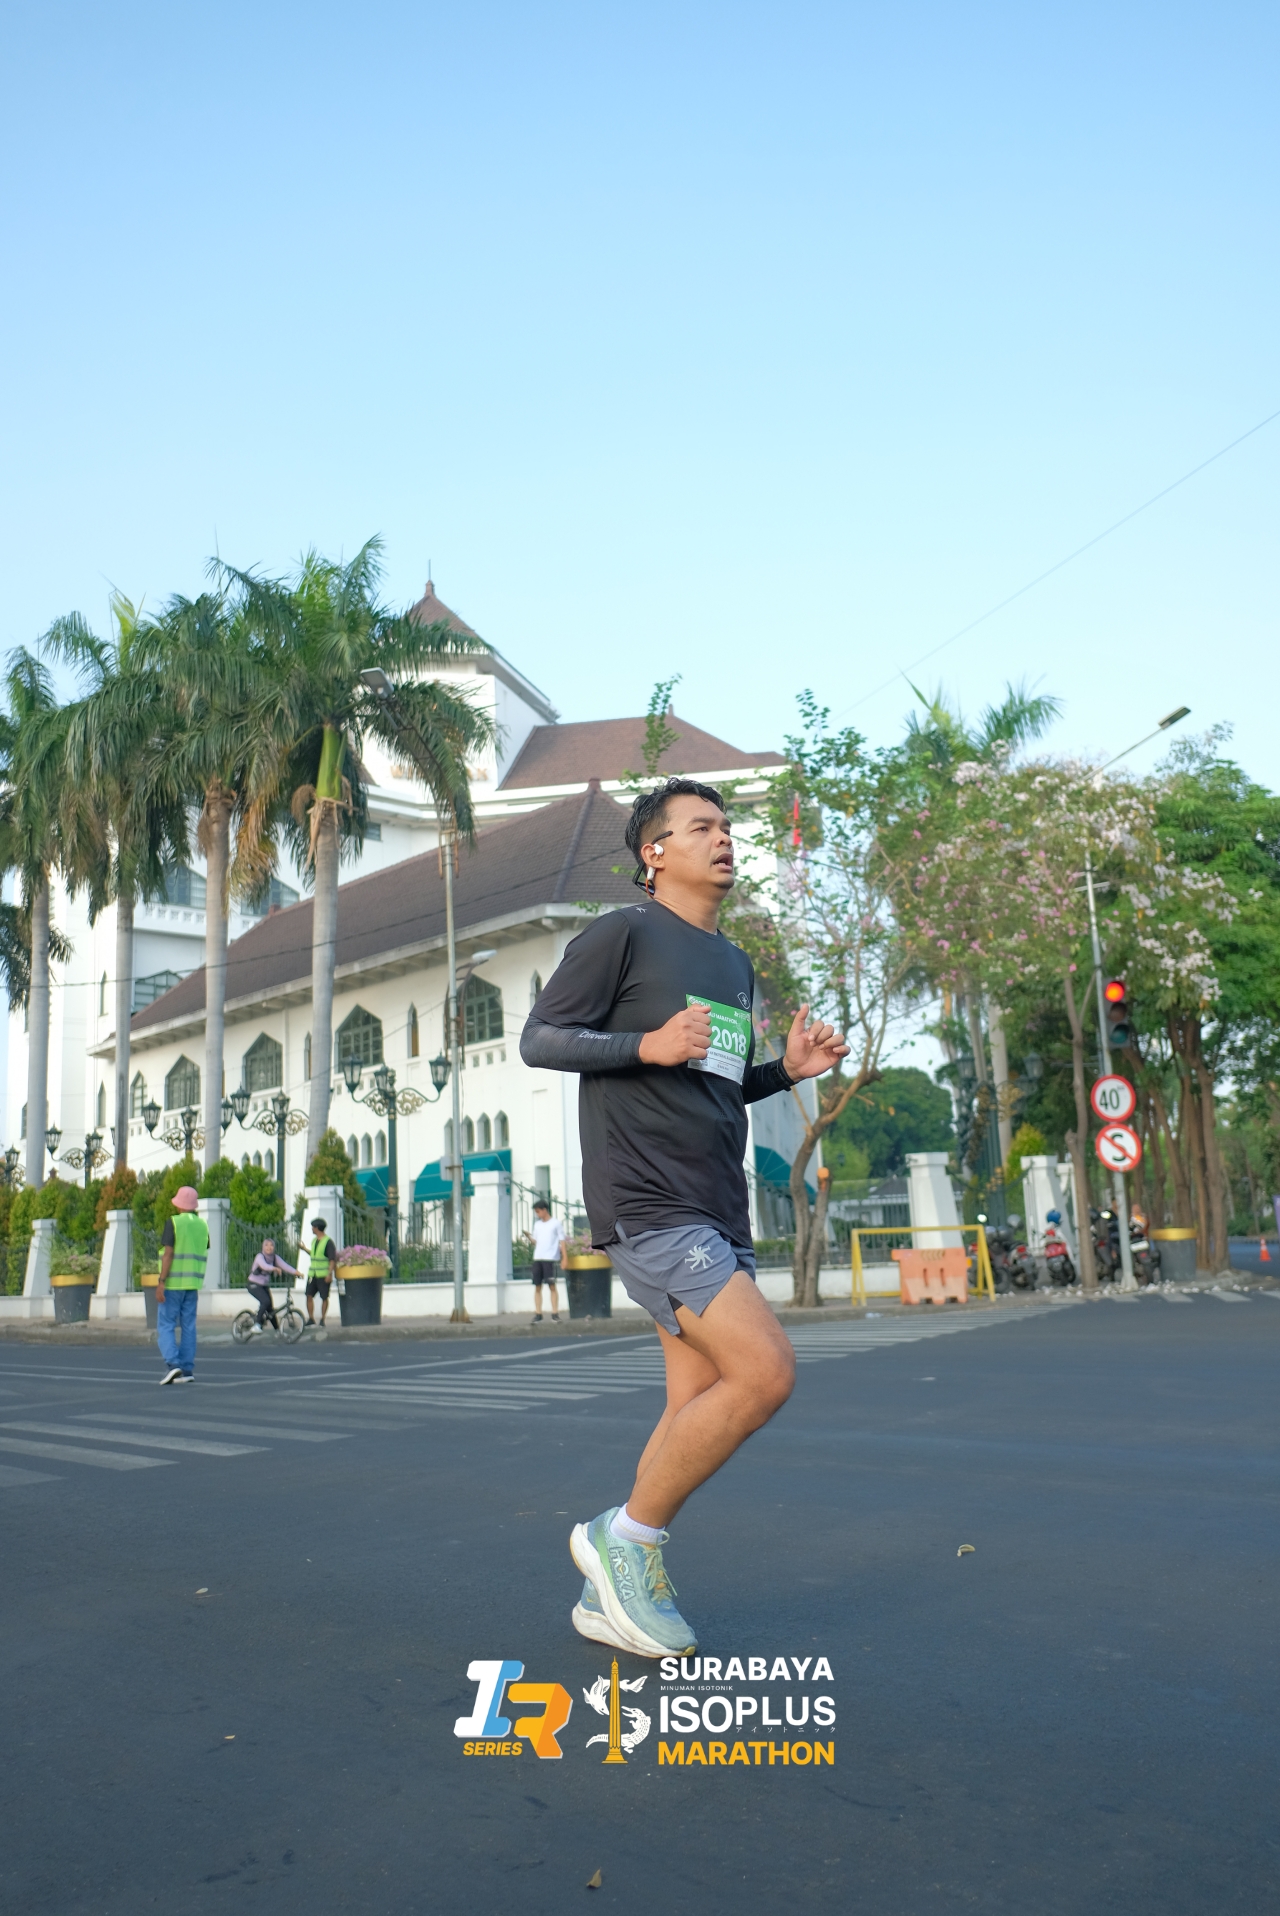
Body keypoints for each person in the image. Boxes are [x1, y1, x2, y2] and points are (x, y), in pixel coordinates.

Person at [520, 776, 848, 1658]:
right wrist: (646, 1043)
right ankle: (624, 1540)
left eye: (727, 827)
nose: (724, 839)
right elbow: (540, 1039)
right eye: (702, 827)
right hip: (649, 1199)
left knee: (695, 1402)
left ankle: (609, 1593)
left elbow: (715, 1082)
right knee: (765, 1371)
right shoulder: (622, 934)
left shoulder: (731, 963)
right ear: (654, 852)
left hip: (716, 1202)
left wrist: (786, 1070)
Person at [156, 1185, 209, 1385]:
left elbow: (168, 1253)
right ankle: (187, 1369)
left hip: (173, 1284)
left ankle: (173, 1364)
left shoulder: (174, 1223)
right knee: (188, 1326)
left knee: (166, 1324)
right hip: (193, 1283)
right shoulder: (203, 1225)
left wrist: (161, 1281)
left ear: (178, 1205)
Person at [246, 1238, 298, 1333]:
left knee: (270, 1308)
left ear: (274, 1247)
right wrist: (274, 1268)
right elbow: (264, 1266)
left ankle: (277, 1330)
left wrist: (296, 1272)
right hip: (253, 1284)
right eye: (266, 1245)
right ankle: (256, 1325)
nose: (269, 1247)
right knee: (265, 1301)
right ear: (263, 1247)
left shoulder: (274, 1258)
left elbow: (285, 1266)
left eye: (271, 1245)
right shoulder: (260, 1256)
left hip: (264, 1285)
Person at [530, 1199, 566, 1324]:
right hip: (538, 1258)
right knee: (537, 1286)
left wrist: (564, 1258)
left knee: (552, 1286)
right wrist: (529, 1237)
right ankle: (538, 1313)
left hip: (550, 1259)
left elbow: (562, 1241)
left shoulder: (556, 1223)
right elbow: (535, 1241)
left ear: (544, 1210)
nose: (537, 1214)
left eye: (538, 1211)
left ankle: (555, 1313)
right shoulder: (537, 1225)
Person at [304, 1217, 338, 1332]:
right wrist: (304, 1249)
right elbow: (314, 1255)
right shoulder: (314, 1241)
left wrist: (329, 1274)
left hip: (323, 1274)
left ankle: (322, 1319)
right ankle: (311, 1318)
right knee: (309, 1295)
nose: (312, 1229)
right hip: (313, 1274)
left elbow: (332, 1259)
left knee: (324, 1297)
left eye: (313, 1227)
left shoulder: (328, 1242)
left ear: (317, 1228)